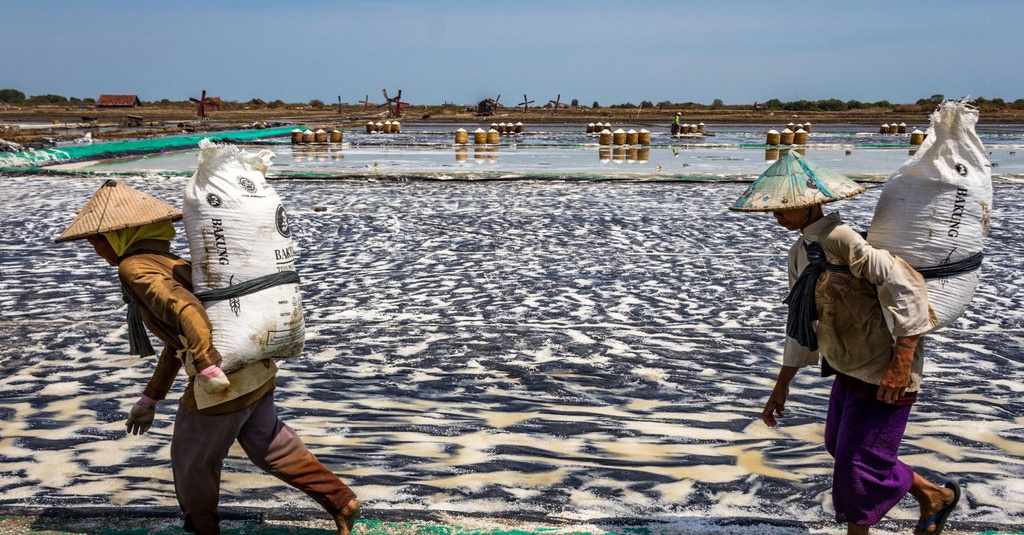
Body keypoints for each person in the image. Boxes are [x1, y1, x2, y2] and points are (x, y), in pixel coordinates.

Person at [55, 180, 360, 535]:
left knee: (191, 462)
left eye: (96, 241)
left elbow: (188, 312)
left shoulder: (135, 268)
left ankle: (203, 529)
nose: (95, 249)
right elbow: (176, 342)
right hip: (255, 371)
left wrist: (206, 366)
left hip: (223, 382)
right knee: (271, 446)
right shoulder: (171, 261)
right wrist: (150, 398)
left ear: (119, 235)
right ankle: (341, 501)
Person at [728, 153, 961, 535]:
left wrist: (901, 362)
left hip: (884, 366)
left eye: (787, 208)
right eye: (775, 208)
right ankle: (933, 495)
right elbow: (802, 322)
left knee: (856, 466)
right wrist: (781, 386)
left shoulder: (842, 238)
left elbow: (906, 287)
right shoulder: (800, 252)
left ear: (813, 202)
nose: (777, 215)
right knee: (842, 448)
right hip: (848, 364)